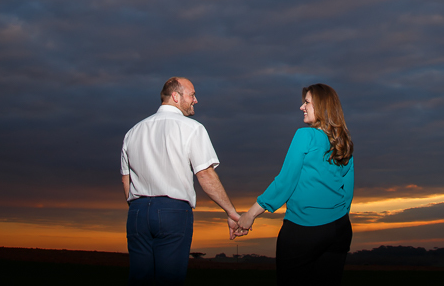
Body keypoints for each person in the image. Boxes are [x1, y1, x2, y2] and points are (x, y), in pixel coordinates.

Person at [121, 76, 244, 286]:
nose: (196, 100)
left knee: (139, 280)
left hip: (137, 212)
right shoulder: (192, 128)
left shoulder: (133, 131)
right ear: (176, 96)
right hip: (172, 211)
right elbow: (205, 174)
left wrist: (139, 208)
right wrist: (231, 212)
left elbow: (127, 178)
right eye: (192, 95)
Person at [237, 83, 354, 286]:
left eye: (307, 102)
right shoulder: (343, 141)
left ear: (321, 106)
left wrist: (250, 215)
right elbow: (347, 190)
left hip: (304, 231)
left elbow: (285, 182)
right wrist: (335, 218)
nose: (302, 107)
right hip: (339, 230)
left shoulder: (305, 135)